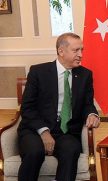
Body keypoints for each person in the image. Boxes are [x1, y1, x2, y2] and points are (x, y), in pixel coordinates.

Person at [17, 32, 100, 181]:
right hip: (35, 130)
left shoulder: (85, 75)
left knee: (71, 150)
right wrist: (44, 132)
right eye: (76, 50)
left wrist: (92, 114)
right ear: (61, 51)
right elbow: (27, 108)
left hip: (66, 132)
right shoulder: (38, 72)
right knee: (34, 152)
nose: (81, 54)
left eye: (82, 50)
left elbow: (88, 104)